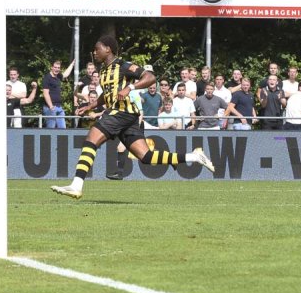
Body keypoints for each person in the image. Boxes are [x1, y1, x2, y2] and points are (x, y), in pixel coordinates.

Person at [50, 36, 214, 199]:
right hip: (127, 117)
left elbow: (150, 77)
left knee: (91, 139)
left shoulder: (122, 65)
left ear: (108, 49)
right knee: (146, 156)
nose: (94, 52)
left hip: (122, 112)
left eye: (97, 49)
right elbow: (107, 95)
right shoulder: (103, 71)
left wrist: (130, 87)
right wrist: (90, 106)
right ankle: (194, 156)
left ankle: (76, 185)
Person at [42, 58, 75, 129]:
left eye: (58, 68)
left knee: (63, 129)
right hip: (50, 108)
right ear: (51, 67)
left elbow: (65, 74)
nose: (57, 69)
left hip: (59, 107)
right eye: (55, 67)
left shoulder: (58, 76)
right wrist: (51, 106)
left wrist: (72, 64)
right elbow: (45, 93)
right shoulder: (47, 78)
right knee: (50, 130)